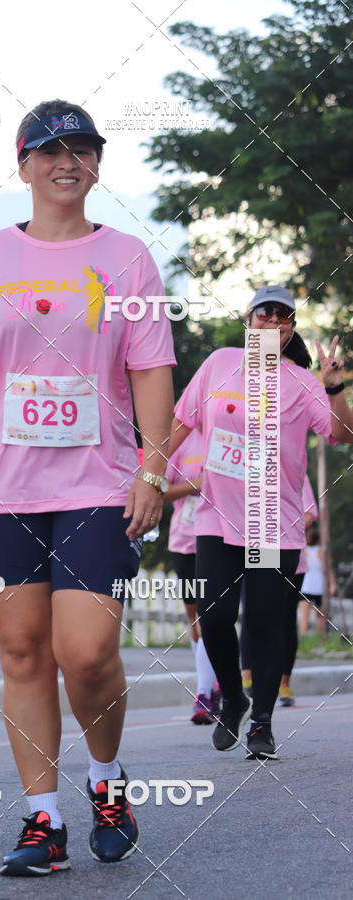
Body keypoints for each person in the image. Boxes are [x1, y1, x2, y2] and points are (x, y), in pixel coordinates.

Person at [0, 99, 176, 876]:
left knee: (86, 653)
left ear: (97, 166)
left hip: (98, 483)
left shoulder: (127, 257)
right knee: (22, 651)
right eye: (51, 150)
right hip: (0, 488)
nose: (68, 163)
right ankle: (43, 820)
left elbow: (151, 371)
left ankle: (106, 782)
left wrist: (152, 467)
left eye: (82, 150)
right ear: (23, 165)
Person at [168, 284, 353, 760]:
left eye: (282, 315)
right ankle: (233, 698)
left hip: (272, 522)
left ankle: (263, 723)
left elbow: (342, 433)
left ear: (290, 328)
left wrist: (335, 388)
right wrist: (147, 475)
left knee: (265, 622)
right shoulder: (219, 364)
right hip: (216, 517)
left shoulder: (302, 382)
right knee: (214, 616)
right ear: (248, 320)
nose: (272, 321)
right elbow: (181, 423)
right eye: (264, 313)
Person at [241, 474, 318, 706]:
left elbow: (309, 513)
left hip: (289, 551)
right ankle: (248, 679)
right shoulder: (250, 467)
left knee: (285, 618)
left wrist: (282, 528)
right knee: (252, 612)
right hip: (259, 549)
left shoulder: (297, 471)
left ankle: (284, 683)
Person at [164, 429, 220, 724]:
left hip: (222, 540)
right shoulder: (182, 439)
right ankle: (212, 682)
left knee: (211, 615)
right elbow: (160, 489)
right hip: (185, 541)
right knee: (195, 618)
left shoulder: (231, 431)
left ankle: (204, 693)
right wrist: (194, 485)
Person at [299, 521, 337, 635]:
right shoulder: (322, 552)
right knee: (320, 616)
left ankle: (303, 637)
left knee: (304, 616)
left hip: (305, 587)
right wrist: (332, 584)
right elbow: (329, 569)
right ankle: (320, 638)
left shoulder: (303, 551)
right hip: (320, 588)